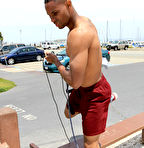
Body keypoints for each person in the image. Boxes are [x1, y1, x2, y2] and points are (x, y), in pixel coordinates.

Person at [30, 0, 115, 147]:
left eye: (55, 13)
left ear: (68, 3)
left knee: (90, 144)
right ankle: (98, 109)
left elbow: (74, 82)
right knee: (67, 113)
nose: (52, 20)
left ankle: (103, 103)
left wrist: (56, 62)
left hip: (96, 93)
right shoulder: (83, 22)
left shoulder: (78, 34)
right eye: (49, 16)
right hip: (82, 89)